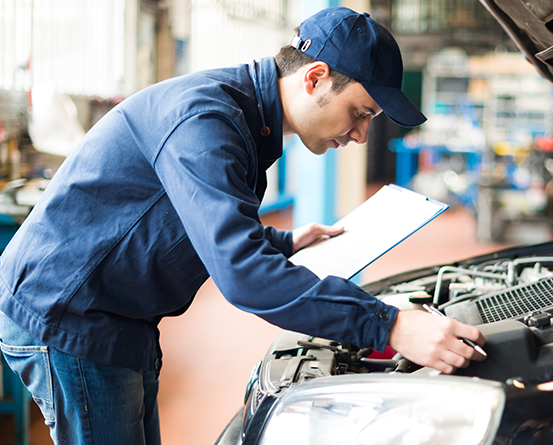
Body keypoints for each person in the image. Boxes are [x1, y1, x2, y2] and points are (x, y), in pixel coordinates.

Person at [0, 7, 485, 444]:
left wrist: (282, 241)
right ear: (314, 78)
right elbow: (244, 277)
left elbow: (191, 219)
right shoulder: (208, 119)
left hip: (117, 314)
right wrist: (392, 325)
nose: (360, 135)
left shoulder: (249, 121)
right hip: (69, 313)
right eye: (360, 113)